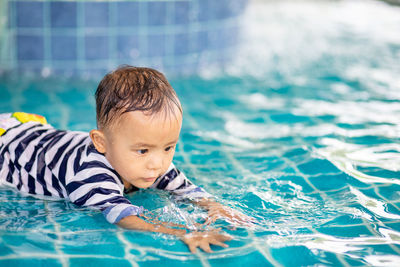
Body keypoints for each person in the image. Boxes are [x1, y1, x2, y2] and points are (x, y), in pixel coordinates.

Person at [0, 66, 252, 253]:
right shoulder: (90, 173)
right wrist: (183, 232)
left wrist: (214, 206)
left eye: (168, 147)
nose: (157, 163)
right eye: (143, 151)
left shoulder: (150, 158)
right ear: (101, 143)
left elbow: (186, 190)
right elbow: (123, 217)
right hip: (9, 146)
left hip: (32, 129)